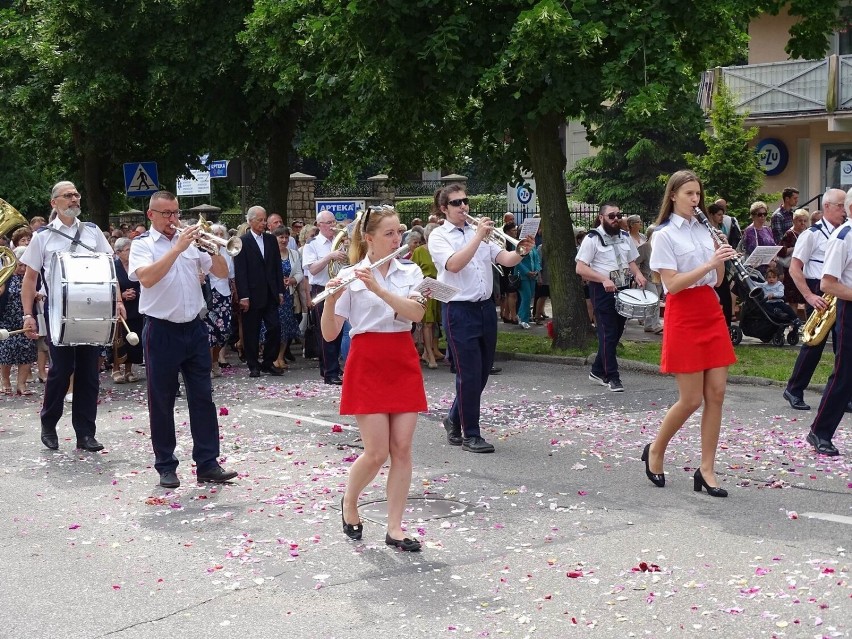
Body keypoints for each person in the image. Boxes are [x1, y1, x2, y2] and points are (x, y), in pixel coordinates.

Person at [320, 205, 426, 551]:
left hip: (401, 357)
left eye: (399, 232)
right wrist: (330, 300)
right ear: (369, 239)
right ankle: (350, 502)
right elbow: (330, 334)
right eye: (390, 234)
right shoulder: (351, 275)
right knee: (377, 451)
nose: (398, 239)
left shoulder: (409, 272)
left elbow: (416, 313)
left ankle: (395, 527)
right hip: (367, 360)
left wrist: (378, 288)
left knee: (402, 449)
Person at [128, 191, 237, 488]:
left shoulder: (191, 242)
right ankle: (166, 464)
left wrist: (211, 247)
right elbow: (147, 279)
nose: (173, 219)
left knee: (202, 398)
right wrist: (176, 249)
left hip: (194, 328)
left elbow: (221, 272)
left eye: (175, 213)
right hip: (161, 330)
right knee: (161, 401)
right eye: (166, 214)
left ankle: (208, 463)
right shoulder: (143, 245)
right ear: (150, 215)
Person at [644, 170, 737, 498]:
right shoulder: (664, 234)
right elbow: (671, 284)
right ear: (673, 196)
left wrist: (722, 255)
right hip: (683, 312)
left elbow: (718, 281)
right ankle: (655, 450)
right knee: (691, 399)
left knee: (717, 395)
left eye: (698, 194)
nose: (696, 200)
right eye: (689, 194)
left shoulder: (705, 230)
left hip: (710, 310)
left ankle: (707, 469)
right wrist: (710, 262)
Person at [429, 184, 534, 453]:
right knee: (469, 374)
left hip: (485, 308)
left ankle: (453, 418)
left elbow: (505, 259)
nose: (464, 206)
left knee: (483, 372)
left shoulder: (482, 236)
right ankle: (470, 435)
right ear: (444, 208)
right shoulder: (439, 236)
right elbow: (453, 265)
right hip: (459, 310)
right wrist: (476, 237)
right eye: (456, 203)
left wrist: (522, 250)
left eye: (465, 200)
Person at [21, 181, 122, 452]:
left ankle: (85, 433)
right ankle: (49, 423)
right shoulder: (42, 236)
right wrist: (28, 315)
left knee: (90, 372)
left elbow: (110, 272)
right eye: (68, 195)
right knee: (61, 371)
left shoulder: (92, 232)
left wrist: (119, 301)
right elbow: (30, 279)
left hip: (93, 310)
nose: (74, 198)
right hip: (58, 312)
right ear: (54, 203)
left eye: (76, 194)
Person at [783, 188, 852, 412]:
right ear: (827, 207)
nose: (843, 210)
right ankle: (794, 389)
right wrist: (809, 296)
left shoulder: (844, 232)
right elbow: (795, 268)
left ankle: (844, 396)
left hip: (839, 291)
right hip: (818, 289)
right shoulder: (811, 234)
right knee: (813, 343)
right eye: (840, 206)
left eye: (845, 206)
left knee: (842, 347)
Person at [575, 203, 646, 392]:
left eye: (618, 215)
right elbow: (580, 268)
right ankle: (612, 376)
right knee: (607, 333)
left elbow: (631, 261)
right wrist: (602, 279)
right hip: (602, 290)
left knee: (615, 334)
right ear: (601, 218)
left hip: (623, 288)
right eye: (611, 216)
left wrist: (638, 274)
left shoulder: (624, 237)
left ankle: (597, 370)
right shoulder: (592, 239)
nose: (616, 219)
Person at [804, 205, 852, 456]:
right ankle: (820, 432)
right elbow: (828, 283)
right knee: (844, 375)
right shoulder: (843, 237)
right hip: (849, 309)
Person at [233, 206, 285, 378]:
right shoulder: (242, 241)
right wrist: (244, 296)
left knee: (275, 328)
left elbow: (277, 267)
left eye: (265, 220)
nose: (264, 223)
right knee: (251, 332)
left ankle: (268, 362)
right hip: (252, 294)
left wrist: (280, 291)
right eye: (260, 220)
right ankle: (253, 365)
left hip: (270, 293)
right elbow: (240, 271)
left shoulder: (271, 240)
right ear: (250, 221)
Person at [303, 210, 348, 385]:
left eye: (333, 222)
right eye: (328, 223)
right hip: (322, 288)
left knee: (338, 329)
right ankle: (330, 372)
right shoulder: (312, 244)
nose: (332, 226)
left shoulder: (340, 242)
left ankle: (331, 367)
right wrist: (330, 256)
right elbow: (312, 269)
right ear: (319, 225)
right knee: (326, 331)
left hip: (339, 287)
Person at [0, 247, 37, 395]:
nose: (22, 268)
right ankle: (5, 381)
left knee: (26, 352)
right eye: (20, 265)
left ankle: (21, 384)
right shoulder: (5, 277)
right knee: (6, 353)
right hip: (6, 320)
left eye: (25, 266)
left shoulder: (30, 278)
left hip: (25, 320)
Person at [204, 224, 235, 379]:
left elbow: (229, 274)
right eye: (214, 233)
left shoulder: (228, 252)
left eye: (220, 233)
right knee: (209, 333)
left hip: (223, 294)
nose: (218, 236)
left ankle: (216, 360)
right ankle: (210, 364)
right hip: (208, 295)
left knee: (222, 333)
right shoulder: (202, 250)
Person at [410, 223, 443, 369]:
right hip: (426, 288)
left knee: (437, 322)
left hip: (441, 287)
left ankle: (432, 351)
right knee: (427, 323)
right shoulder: (419, 251)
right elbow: (412, 271)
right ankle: (429, 353)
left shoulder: (442, 250)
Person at [112, 237, 144, 383]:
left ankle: (129, 370)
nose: (130, 252)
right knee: (119, 338)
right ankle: (116, 369)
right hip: (120, 307)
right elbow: (110, 287)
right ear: (118, 252)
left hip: (135, 307)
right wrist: (122, 296)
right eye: (127, 250)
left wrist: (135, 293)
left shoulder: (135, 265)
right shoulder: (113, 267)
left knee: (134, 338)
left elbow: (143, 283)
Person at [271, 226, 302, 369]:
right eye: (280, 237)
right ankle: (271, 356)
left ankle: (280, 356)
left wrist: (291, 281)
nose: (284, 240)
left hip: (287, 296)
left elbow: (299, 274)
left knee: (285, 326)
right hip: (272, 296)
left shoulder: (294, 254)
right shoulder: (269, 253)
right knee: (273, 327)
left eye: (286, 237)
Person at [634, 225, 664, 334]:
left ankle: (649, 324)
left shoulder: (661, 247)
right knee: (654, 301)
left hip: (659, 279)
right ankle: (654, 325)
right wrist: (639, 276)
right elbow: (635, 263)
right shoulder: (645, 247)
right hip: (648, 278)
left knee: (654, 302)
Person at [780, 209, 810, 311]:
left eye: (805, 221)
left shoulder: (807, 233)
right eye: (800, 220)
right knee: (793, 300)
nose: (802, 223)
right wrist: (796, 247)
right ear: (794, 221)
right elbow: (782, 251)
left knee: (807, 298)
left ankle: (808, 324)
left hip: (805, 269)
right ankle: (794, 324)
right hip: (792, 270)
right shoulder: (789, 234)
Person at [515, 241, 541, 329]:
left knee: (529, 297)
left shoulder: (533, 246)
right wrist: (527, 272)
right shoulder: (520, 245)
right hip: (523, 276)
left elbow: (537, 259)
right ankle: (524, 320)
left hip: (533, 276)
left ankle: (520, 315)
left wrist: (537, 270)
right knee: (526, 296)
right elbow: (517, 262)